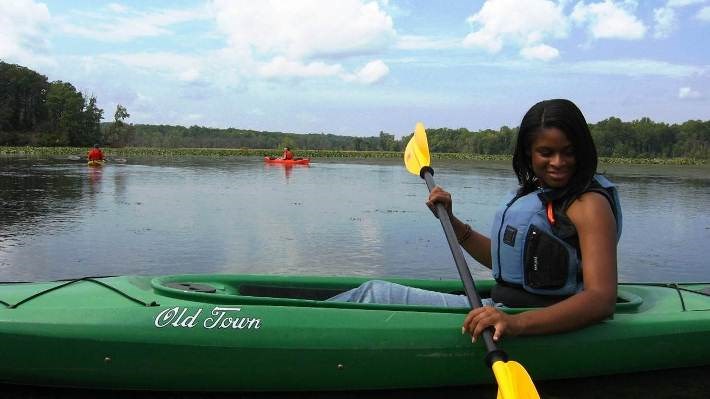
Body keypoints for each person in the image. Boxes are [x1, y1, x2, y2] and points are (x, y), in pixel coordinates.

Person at [328, 99, 622, 343]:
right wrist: (453, 222)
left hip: (528, 320)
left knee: (374, 294)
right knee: (373, 293)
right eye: (546, 152)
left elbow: (600, 299)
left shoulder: (589, 204)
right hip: (505, 309)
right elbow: (508, 262)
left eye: (568, 152)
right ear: (528, 154)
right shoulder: (542, 194)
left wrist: (516, 324)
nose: (558, 162)